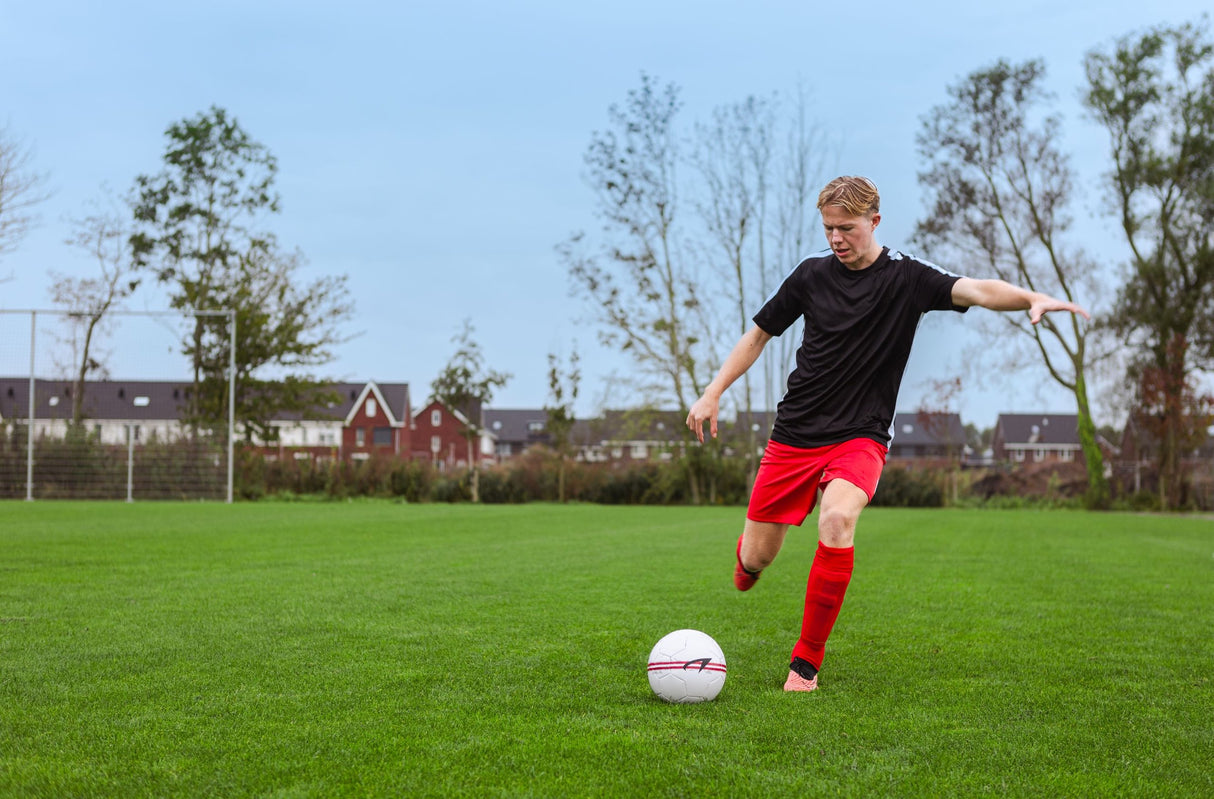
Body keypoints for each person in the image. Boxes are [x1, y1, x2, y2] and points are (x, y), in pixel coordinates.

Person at [685, 176, 1089, 693]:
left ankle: (805, 663)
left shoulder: (907, 278)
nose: (836, 238)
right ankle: (749, 557)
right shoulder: (809, 276)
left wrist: (1032, 296)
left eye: (847, 228)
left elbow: (979, 290)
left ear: (875, 222)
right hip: (795, 433)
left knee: (836, 519)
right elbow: (759, 334)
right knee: (757, 558)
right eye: (829, 228)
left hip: (862, 435)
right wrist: (713, 391)